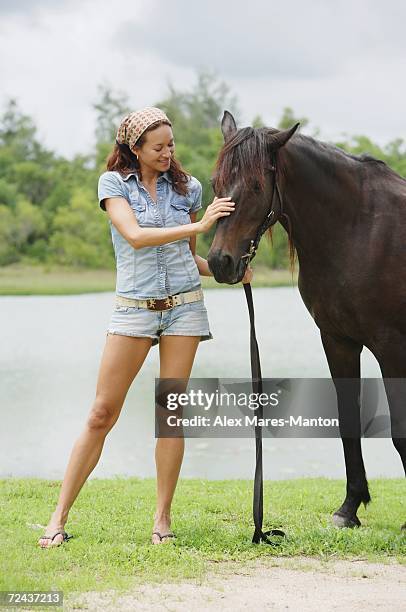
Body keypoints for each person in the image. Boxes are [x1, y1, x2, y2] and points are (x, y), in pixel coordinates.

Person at [38, 106, 253, 548]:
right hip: (134, 310)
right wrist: (201, 222)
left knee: (169, 414)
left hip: (184, 309)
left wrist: (228, 271)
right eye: (157, 147)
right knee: (102, 413)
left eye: (170, 145)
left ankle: (162, 520)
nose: (167, 153)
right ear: (133, 149)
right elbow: (134, 236)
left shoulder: (188, 188)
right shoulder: (113, 184)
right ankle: (56, 518)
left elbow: (189, 258)